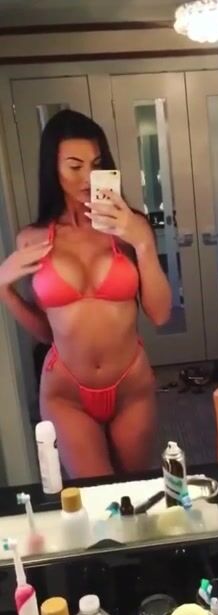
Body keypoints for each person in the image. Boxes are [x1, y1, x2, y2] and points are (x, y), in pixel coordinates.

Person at [0, 109, 172, 478]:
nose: (87, 177)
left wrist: (143, 243)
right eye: (74, 166)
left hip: (131, 385)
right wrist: (4, 288)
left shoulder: (130, 228)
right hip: (66, 391)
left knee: (134, 490)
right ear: (52, 168)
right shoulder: (32, 239)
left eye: (96, 165)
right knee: (97, 494)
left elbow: (160, 314)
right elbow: (47, 333)